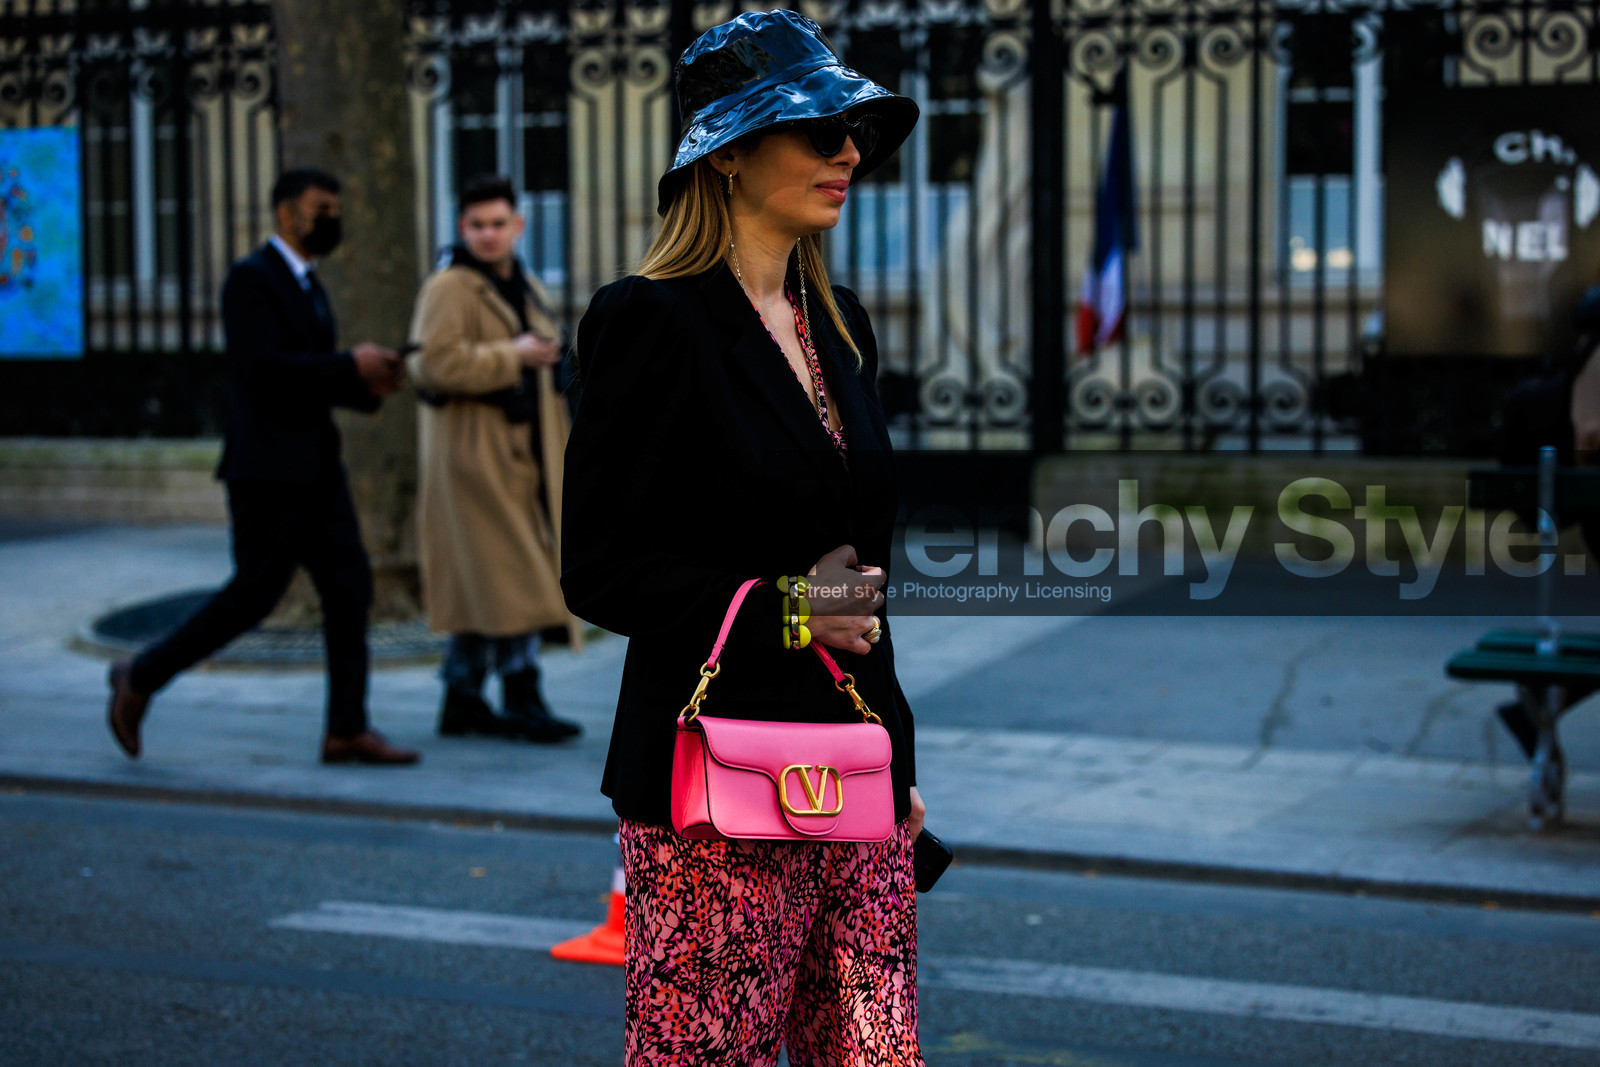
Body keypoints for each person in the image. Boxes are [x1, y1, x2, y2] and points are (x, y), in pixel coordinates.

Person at [560, 11, 924, 1063]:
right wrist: (786, 606)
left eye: (851, 129)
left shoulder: (840, 321)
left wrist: (895, 756)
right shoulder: (649, 320)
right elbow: (600, 566)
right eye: (818, 129)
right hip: (712, 784)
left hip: (851, 773)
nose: (847, 151)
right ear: (728, 152)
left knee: (870, 1054)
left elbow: (864, 576)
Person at [105, 168, 419, 766]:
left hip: (317, 469)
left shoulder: (308, 284)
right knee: (252, 595)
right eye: (320, 207)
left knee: (350, 589)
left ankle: (346, 729)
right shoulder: (251, 280)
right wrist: (348, 365)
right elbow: (264, 372)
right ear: (284, 213)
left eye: (335, 207)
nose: (331, 217)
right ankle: (139, 675)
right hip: (267, 471)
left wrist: (367, 386)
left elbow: (310, 373)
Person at [407, 175, 582, 743]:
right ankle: (521, 695)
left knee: (489, 586)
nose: (488, 234)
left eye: (498, 224)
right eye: (477, 225)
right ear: (463, 228)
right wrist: (513, 354)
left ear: (517, 226)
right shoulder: (450, 286)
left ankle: (461, 697)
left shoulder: (524, 283)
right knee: (516, 582)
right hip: (476, 461)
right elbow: (431, 364)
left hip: (525, 455)